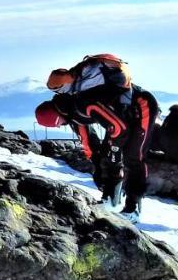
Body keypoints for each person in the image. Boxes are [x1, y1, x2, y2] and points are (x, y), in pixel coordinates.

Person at [35, 83, 158, 222]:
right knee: (107, 155)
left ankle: (133, 209)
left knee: (134, 157)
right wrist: (97, 164)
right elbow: (88, 141)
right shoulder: (69, 113)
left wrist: (114, 149)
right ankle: (110, 199)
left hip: (142, 106)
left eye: (56, 123)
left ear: (56, 117)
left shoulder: (80, 104)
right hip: (121, 117)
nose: (59, 126)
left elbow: (119, 129)